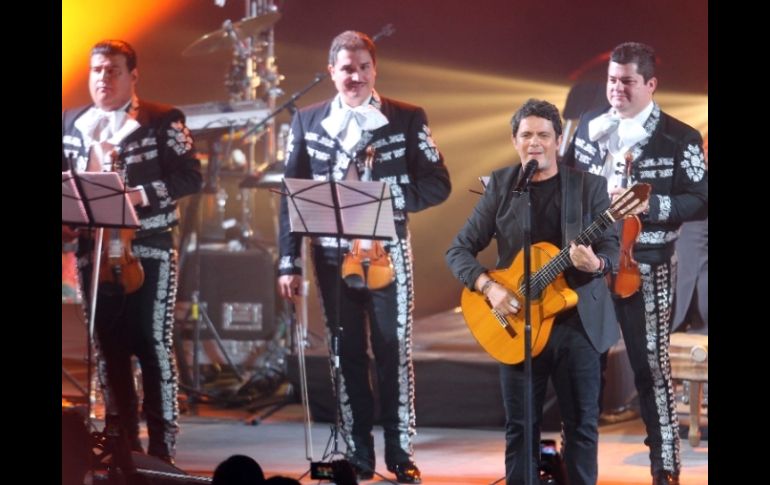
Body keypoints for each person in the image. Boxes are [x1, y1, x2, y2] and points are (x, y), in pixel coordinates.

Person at [276, 30, 451, 484]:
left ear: (375, 70)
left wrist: (384, 197)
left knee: (393, 352)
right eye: (346, 69)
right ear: (331, 72)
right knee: (344, 352)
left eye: (362, 68)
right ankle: (357, 453)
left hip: (389, 255)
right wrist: (288, 261)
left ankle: (400, 452)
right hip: (332, 258)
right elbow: (289, 197)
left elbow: (438, 184)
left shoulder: (407, 118)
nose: (354, 76)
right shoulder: (307, 121)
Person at [446, 98, 620, 485]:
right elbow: (457, 250)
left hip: (577, 323)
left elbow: (611, 250)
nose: (535, 143)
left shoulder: (589, 187)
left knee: (581, 425)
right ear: (514, 140)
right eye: (526, 135)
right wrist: (488, 287)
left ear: (558, 140)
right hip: (517, 322)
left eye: (544, 135)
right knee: (520, 427)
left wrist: (597, 264)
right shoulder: (503, 187)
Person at [563, 42, 708, 485]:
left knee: (651, 370)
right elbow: (567, 181)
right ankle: (576, 469)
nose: (617, 89)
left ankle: (665, 469)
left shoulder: (679, 137)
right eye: (612, 80)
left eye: (627, 81)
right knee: (584, 369)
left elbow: (701, 199)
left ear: (650, 84)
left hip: (648, 264)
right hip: (591, 263)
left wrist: (651, 206)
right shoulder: (588, 126)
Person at [62, 40, 202, 464]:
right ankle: (123, 444)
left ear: (132, 76)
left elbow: (191, 177)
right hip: (93, 251)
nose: (103, 78)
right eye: (98, 70)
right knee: (108, 346)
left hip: (149, 247)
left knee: (151, 343)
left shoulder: (163, 120)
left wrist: (137, 196)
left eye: (113, 71)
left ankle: (162, 449)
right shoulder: (71, 122)